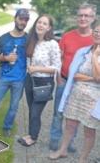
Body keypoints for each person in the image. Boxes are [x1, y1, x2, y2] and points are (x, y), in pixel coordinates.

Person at [49, 19, 100, 163]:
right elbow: (73, 74)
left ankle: (82, 159)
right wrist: (91, 78)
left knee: (89, 131)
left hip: (95, 99)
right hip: (76, 94)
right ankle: (62, 150)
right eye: (96, 31)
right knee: (70, 124)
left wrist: (96, 57)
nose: (98, 34)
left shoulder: (95, 54)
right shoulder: (83, 51)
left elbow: (98, 77)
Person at [17, 14, 61, 146]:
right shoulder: (32, 41)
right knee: (31, 110)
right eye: (39, 22)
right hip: (30, 80)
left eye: (44, 23)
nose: (40, 25)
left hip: (44, 83)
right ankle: (31, 134)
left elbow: (57, 67)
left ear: (49, 28)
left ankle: (33, 137)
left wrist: (37, 69)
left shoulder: (52, 44)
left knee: (36, 112)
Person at [0, 8, 29, 137]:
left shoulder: (28, 39)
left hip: (20, 79)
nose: (23, 22)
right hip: (4, 77)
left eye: (26, 20)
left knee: (14, 107)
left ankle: (7, 127)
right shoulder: (4, 38)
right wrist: (6, 58)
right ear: (15, 18)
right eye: (21, 18)